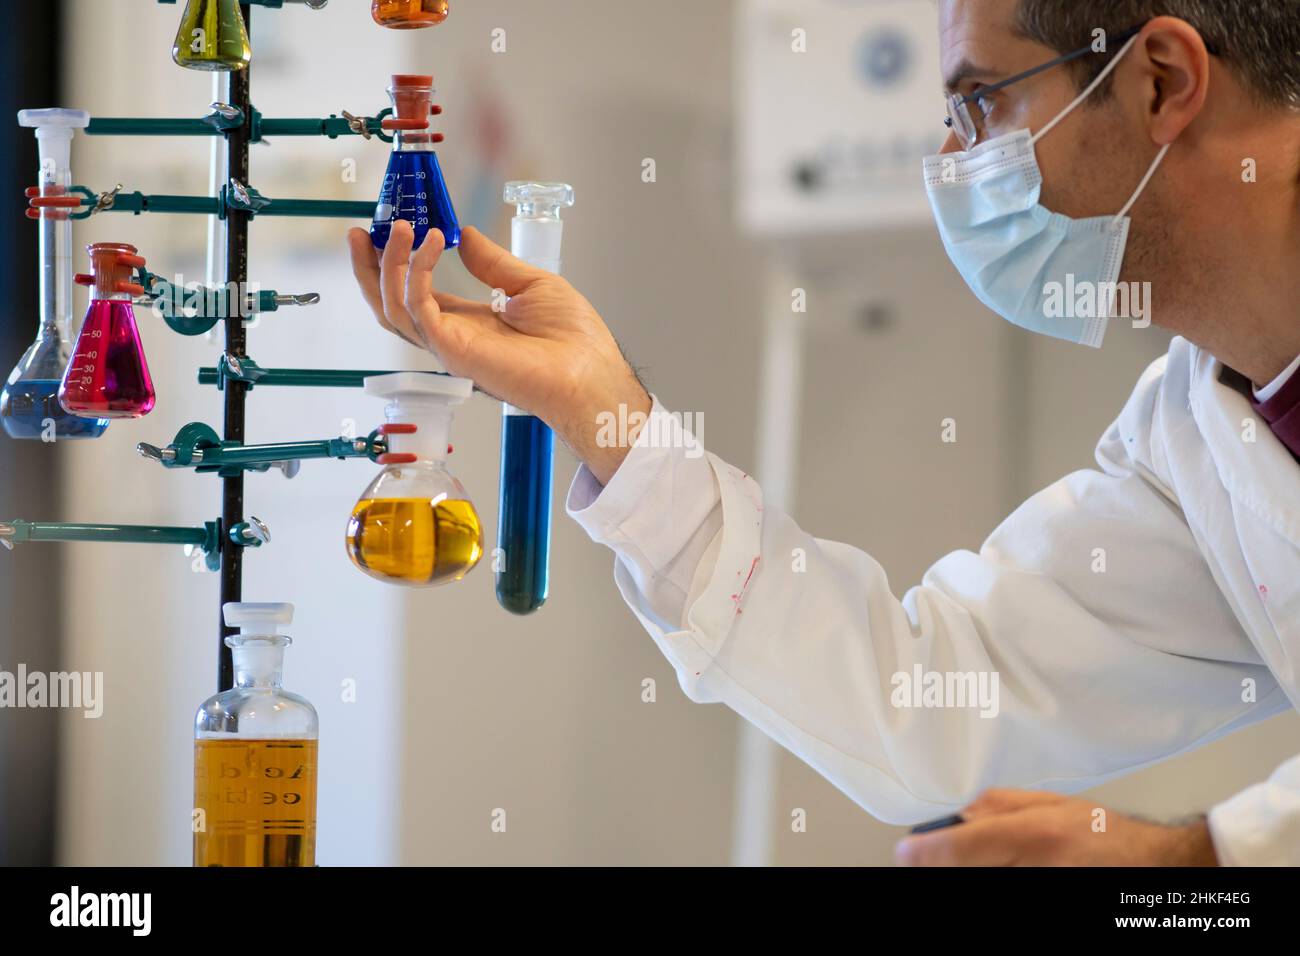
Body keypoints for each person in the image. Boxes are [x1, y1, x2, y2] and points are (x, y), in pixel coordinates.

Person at [348, 0, 1300, 866]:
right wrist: (604, 409)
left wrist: (1193, 867)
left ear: (1160, 81)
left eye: (980, 104)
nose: (954, 161)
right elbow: (932, 695)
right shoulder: (1200, 434)